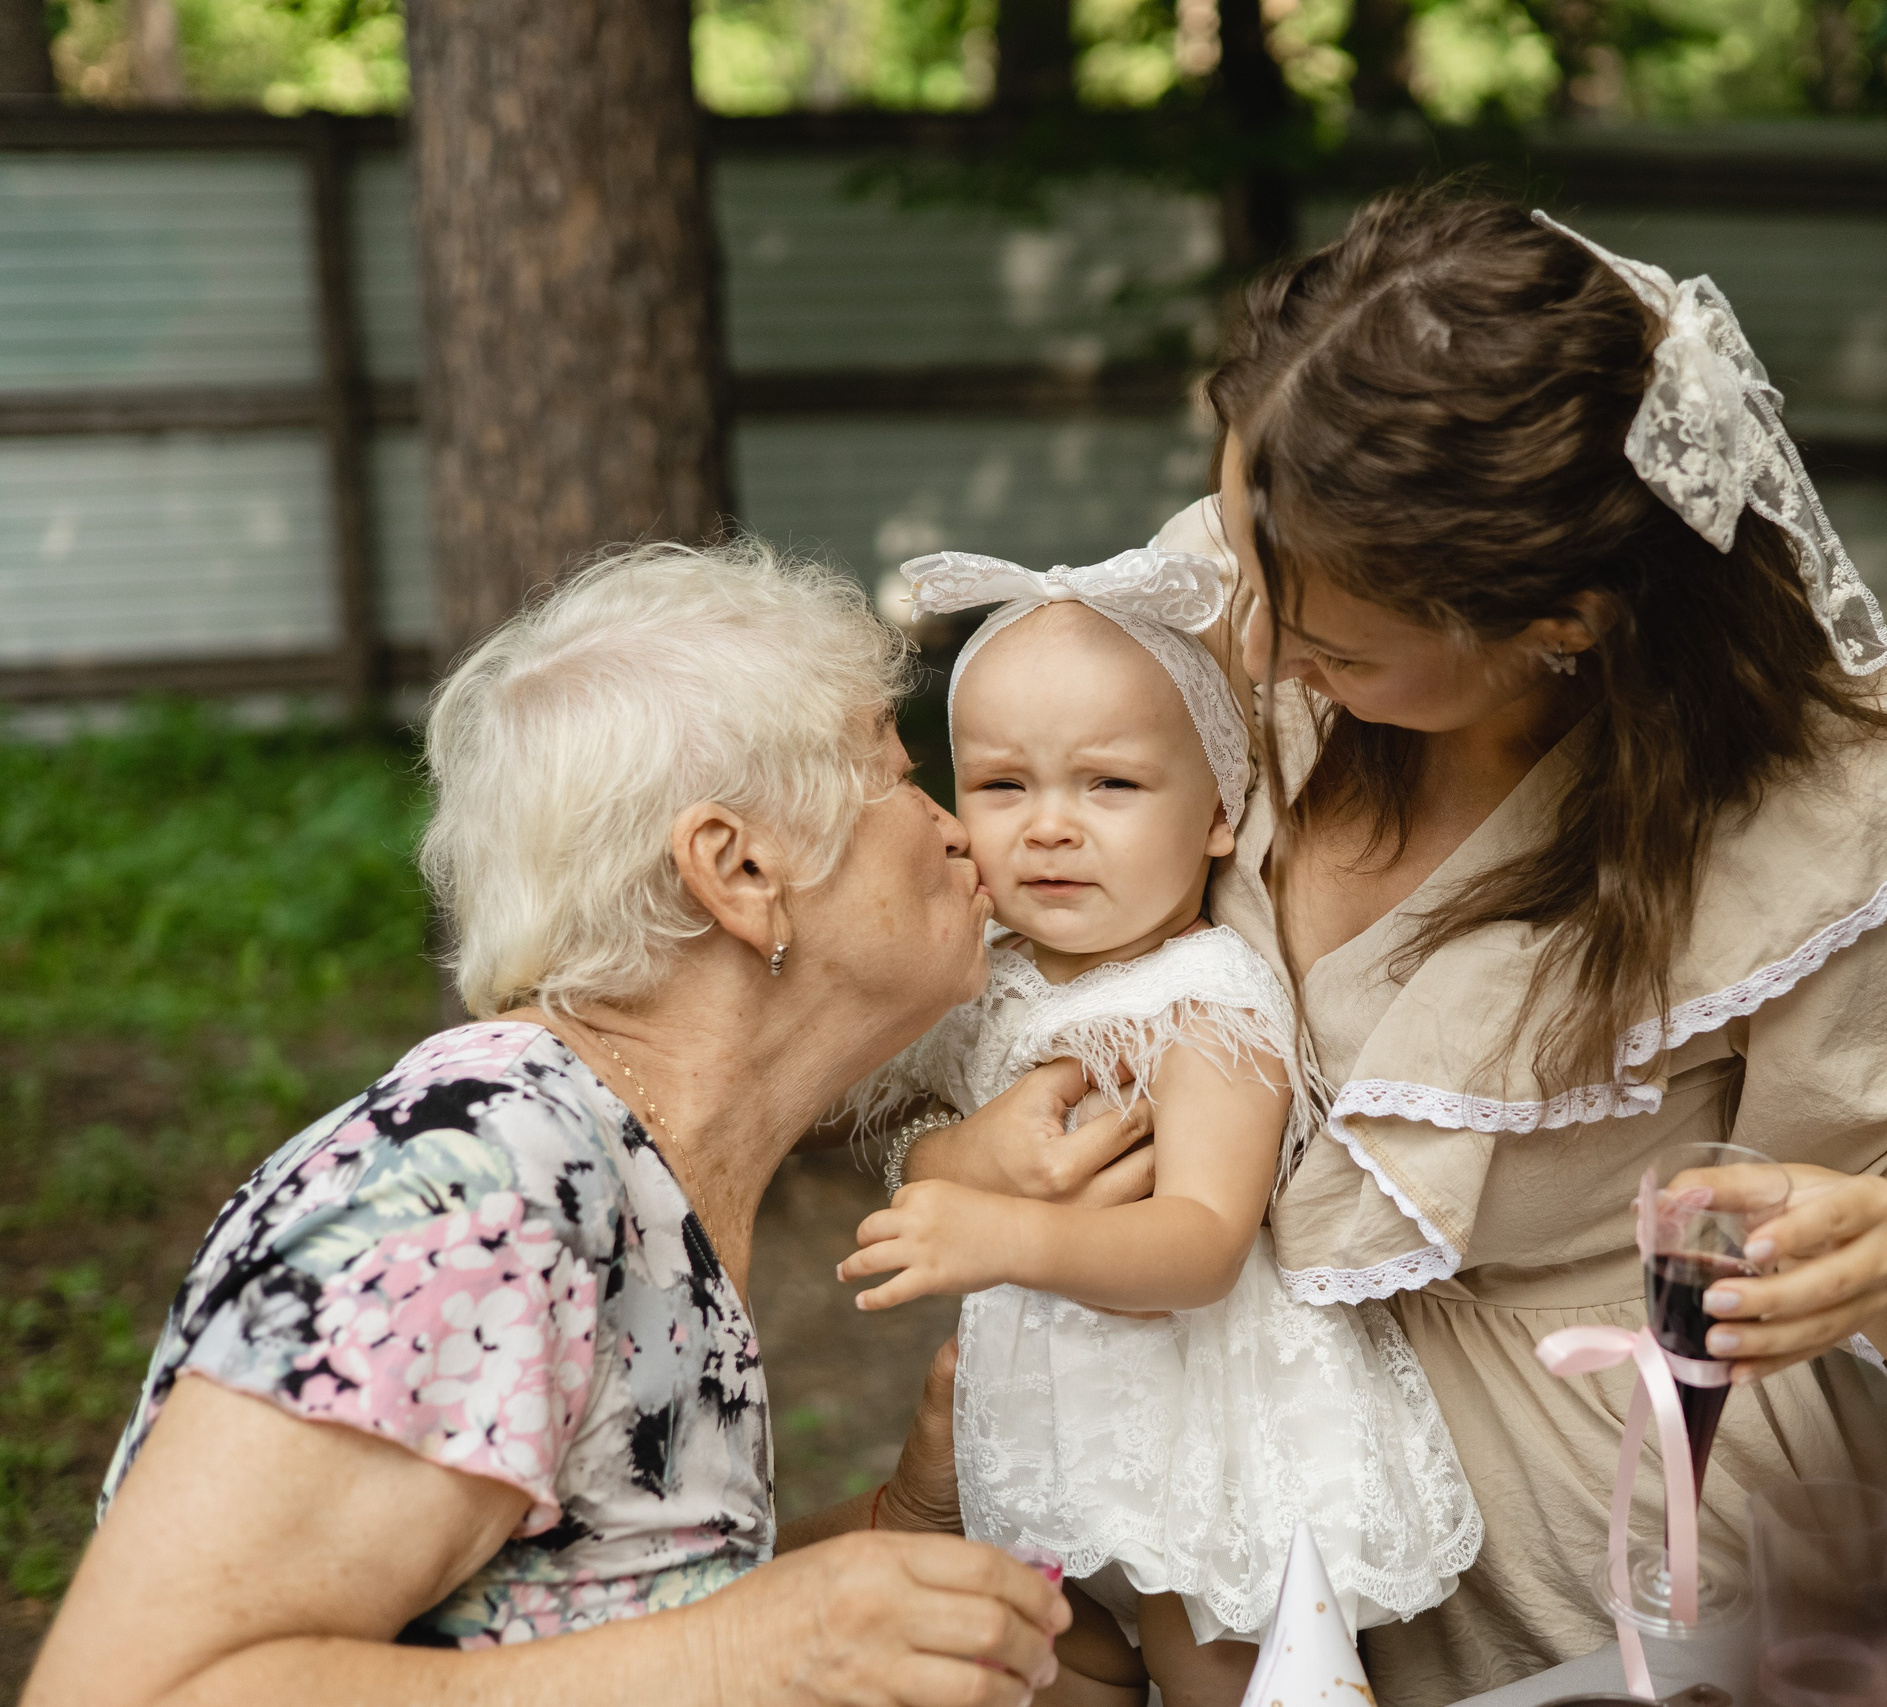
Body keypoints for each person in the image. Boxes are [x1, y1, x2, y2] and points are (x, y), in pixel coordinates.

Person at [906, 191, 1887, 1705]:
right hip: (1219, 1497)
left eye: (1336, 642)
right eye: (1249, 558)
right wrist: (973, 1166)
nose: (1261, 653)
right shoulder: (1247, 602)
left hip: (1589, 1569)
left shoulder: (1813, 824)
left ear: (1567, 621)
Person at [24, 539, 1095, 1707]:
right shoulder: (473, 1184)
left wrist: (898, 1526)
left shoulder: (633, 1172)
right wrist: (746, 1654)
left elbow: (560, 1626)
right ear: (736, 870)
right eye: (896, 776)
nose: (954, 827)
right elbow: (125, 1691)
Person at [836, 547, 1480, 1707]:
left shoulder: (1206, 1000)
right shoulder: (994, 980)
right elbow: (926, 1125)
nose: (1047, 829)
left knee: (1222, 1673)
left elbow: (1200, 1242)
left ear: (1220, 814)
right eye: (1000, 786)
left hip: (1205, 1443)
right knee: (1042, 1650)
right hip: (1061, 1433)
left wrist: (1000, 1238)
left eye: (1110, 786)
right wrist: (952, 1165)